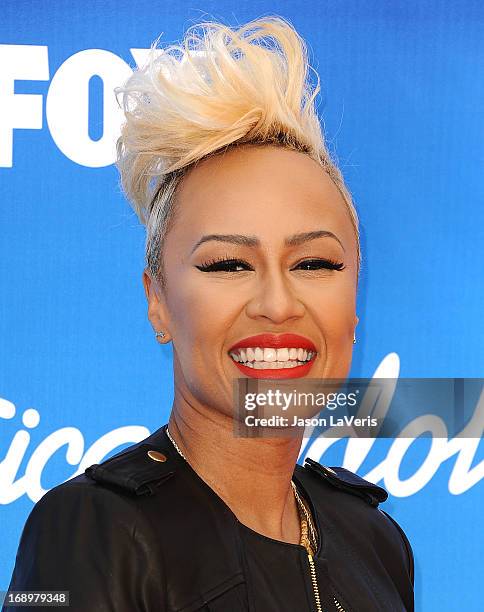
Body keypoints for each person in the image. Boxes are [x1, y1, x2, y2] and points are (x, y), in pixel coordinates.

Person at [4, 16, 414, 612]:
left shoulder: (375, 540)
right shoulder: (93, 529)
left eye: (316, 264)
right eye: (227, 265)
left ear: (354, 303)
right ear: (158, 302)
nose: (277, 303)